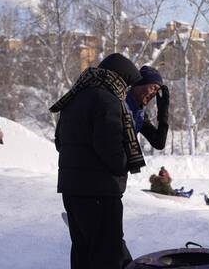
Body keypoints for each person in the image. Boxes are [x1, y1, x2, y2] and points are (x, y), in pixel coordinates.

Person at [51, 53, 145, 269]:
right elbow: (111, 150)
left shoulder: (75, 96)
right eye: (127, 84)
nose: (126, 90)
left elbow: (59, 142)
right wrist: (124, 164)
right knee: (107, 255)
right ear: (119, 78)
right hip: (100, 193)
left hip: (72, 190)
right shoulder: (107, 100)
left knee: (83, 252)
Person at [125, 65, 169, 150]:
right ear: (139, 84)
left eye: (157, 91)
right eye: (153, 88)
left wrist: (163, 112)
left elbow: (159, 143)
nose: (154, 94)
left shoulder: (139, 114)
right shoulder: (118, 104)